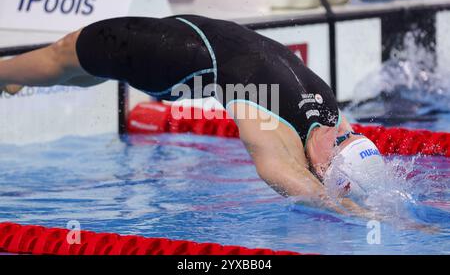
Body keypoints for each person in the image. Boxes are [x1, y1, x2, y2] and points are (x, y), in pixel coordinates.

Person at [0, 15, 385, 217]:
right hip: (192, 34)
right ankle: (14, 77)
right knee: (77, 66)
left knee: (69, 53)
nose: (338, 135)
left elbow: (286, 179)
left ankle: (4, 74)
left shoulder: (272, 130)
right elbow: (331, 167)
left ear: (320, 168)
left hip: (162, 57)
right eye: (347, 138)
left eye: (338, 149)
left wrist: (359, 214)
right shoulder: (332, 118)